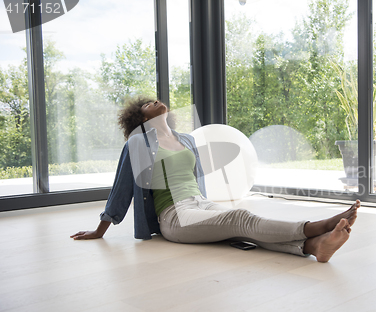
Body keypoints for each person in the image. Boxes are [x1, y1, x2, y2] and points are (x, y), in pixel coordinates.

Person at [70, 97, 361, 263]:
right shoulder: (138, 143)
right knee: (241, 218)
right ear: (139, 118)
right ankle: (314, 227)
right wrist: (100, 229)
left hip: (200, 204)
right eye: (147, 103)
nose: (156, 100)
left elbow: (197, 181)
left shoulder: (184, 139)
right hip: (175, 216)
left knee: (243, 229)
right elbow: (121, 188)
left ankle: (313, 247)